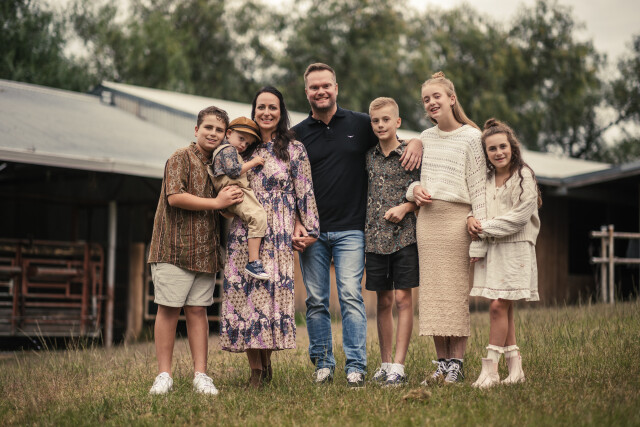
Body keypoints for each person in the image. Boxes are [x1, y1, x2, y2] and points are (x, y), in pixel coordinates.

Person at [291, 63, 422, 388]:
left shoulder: (360, 123)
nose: (321, 91)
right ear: (306, 92)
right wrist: (296, 221)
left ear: (336, 88)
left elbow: (390, 135)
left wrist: (417, 142)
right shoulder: (297, 134)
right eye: (314, 87)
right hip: (313, 230)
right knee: (316, 299)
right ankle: (323, 364)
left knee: (350, 295)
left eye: (326, 85)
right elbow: (287, 181)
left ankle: (356, 366)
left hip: (352, 229)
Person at [219, 86, 320, 389]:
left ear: (281, 111)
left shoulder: (294, 148)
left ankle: (266, 363)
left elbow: (304, 189)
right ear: (254, 111)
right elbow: (223, 182)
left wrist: (307, 226)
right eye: (261, 107)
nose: (266, 112)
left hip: (278, 230)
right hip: (244, 230)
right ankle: (256, 371)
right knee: (246, 296)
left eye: (272, 107)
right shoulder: (241, 149)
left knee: (269, 296)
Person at [147, 106, 244, 395]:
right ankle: (164, 375)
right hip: (174, 249)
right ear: (196, 130)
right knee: (168, 310)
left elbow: (225, 206)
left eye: (219, 129)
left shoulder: (221, 165)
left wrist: (228, 204)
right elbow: (175, 197)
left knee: (198, 311)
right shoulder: (181, 157)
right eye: (208, 128)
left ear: (225, 134)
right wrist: (217, 203)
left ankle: (201, 375)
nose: (213, 133)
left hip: (205, 252)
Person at [406, 71, 487, 384]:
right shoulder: (425, 138)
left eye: (436, 96)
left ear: (452, 99)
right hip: (428, 222)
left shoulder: (472, 137)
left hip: (457, 222)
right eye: (426, 99)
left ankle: (458, 364)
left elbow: (479, 187)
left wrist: (478, 232)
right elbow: (411, 181)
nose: (431, 102)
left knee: (454, 295)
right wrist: (414, 190)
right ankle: (442, 363)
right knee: (432, 295)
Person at [467, 118, 541, 388]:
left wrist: (483, 228)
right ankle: (515, 369)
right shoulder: (486, 180)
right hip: (493, 250)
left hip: (516, 250)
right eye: (492, 149)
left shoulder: (524, 176)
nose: (498, 152)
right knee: (503, 307)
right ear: (486, 153)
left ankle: (490, 370)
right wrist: (470, 219)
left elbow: (519, 218)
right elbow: (477, 207)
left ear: (512, 147)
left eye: (502, 146)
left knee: (499, 305)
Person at [365, 97, 420, 387]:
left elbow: (426, 192)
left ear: (397, 122)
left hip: (404, 238)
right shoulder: (368, 156)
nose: (380, 125)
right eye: (375, 120)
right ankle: (385, 363)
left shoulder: (410, 154)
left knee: (402, 299)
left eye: (386, 119)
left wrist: (406, 207)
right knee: (383, 301)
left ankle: (399, 365)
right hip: (375, 238)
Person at [208, 116, 269, 280]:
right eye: (241, 138)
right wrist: (254, 162)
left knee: (256, 216)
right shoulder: (228, 150)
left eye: (247, 143)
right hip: (235, 189)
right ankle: (253, 261)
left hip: (233, 191)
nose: (243, 145)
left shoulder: (226, 151)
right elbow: (234, 171)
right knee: (258, 216)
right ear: (228, 133)